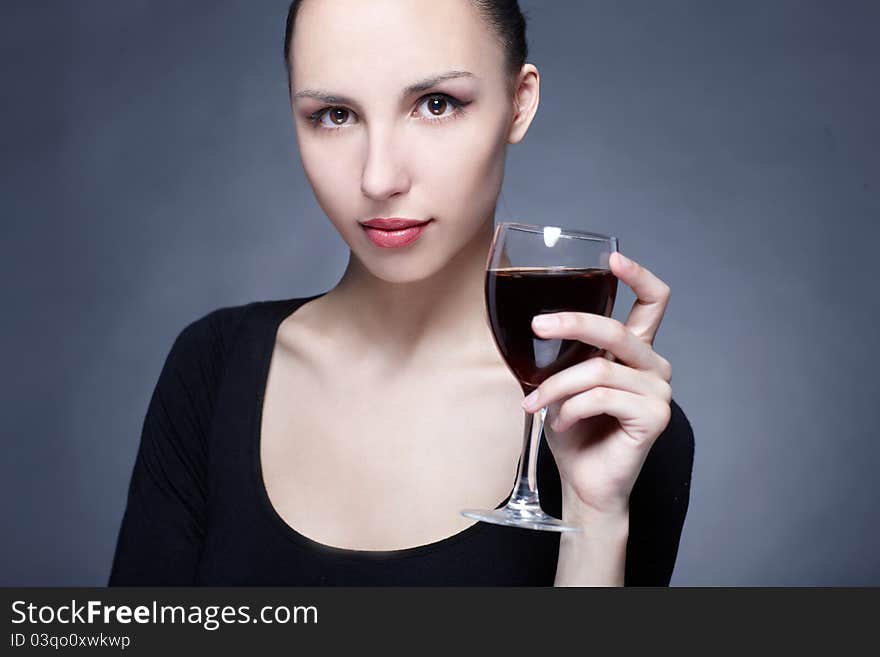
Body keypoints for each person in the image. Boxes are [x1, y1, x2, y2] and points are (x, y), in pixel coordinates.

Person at [108, 0, 694, 587]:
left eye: (435, 105)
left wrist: (595, 517)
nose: (379, 178)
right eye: (335, 115)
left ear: (520, 102)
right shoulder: (213, 369)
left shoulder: (612, 419)